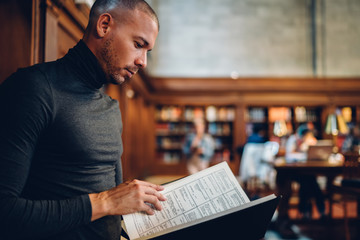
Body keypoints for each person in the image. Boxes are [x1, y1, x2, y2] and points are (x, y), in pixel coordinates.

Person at [0, 1, 166, 239]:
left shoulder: (110, 108)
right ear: (104, 25)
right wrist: (107, 201)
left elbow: (112, 209)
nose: (143, 61)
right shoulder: (33, 89)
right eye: (138, 45)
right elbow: (4, 212)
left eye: (147, 51)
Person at [285, 124, 326, 219]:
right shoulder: (293, 140)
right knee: (311, 182)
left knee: (307, 182)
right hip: (294, 172)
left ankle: (305, 211)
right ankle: (321, 210)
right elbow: (289, 155)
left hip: (307, 172)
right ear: (301, 135)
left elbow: (316, 153)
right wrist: (303, 152)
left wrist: (311, 145)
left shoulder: (309, 140)